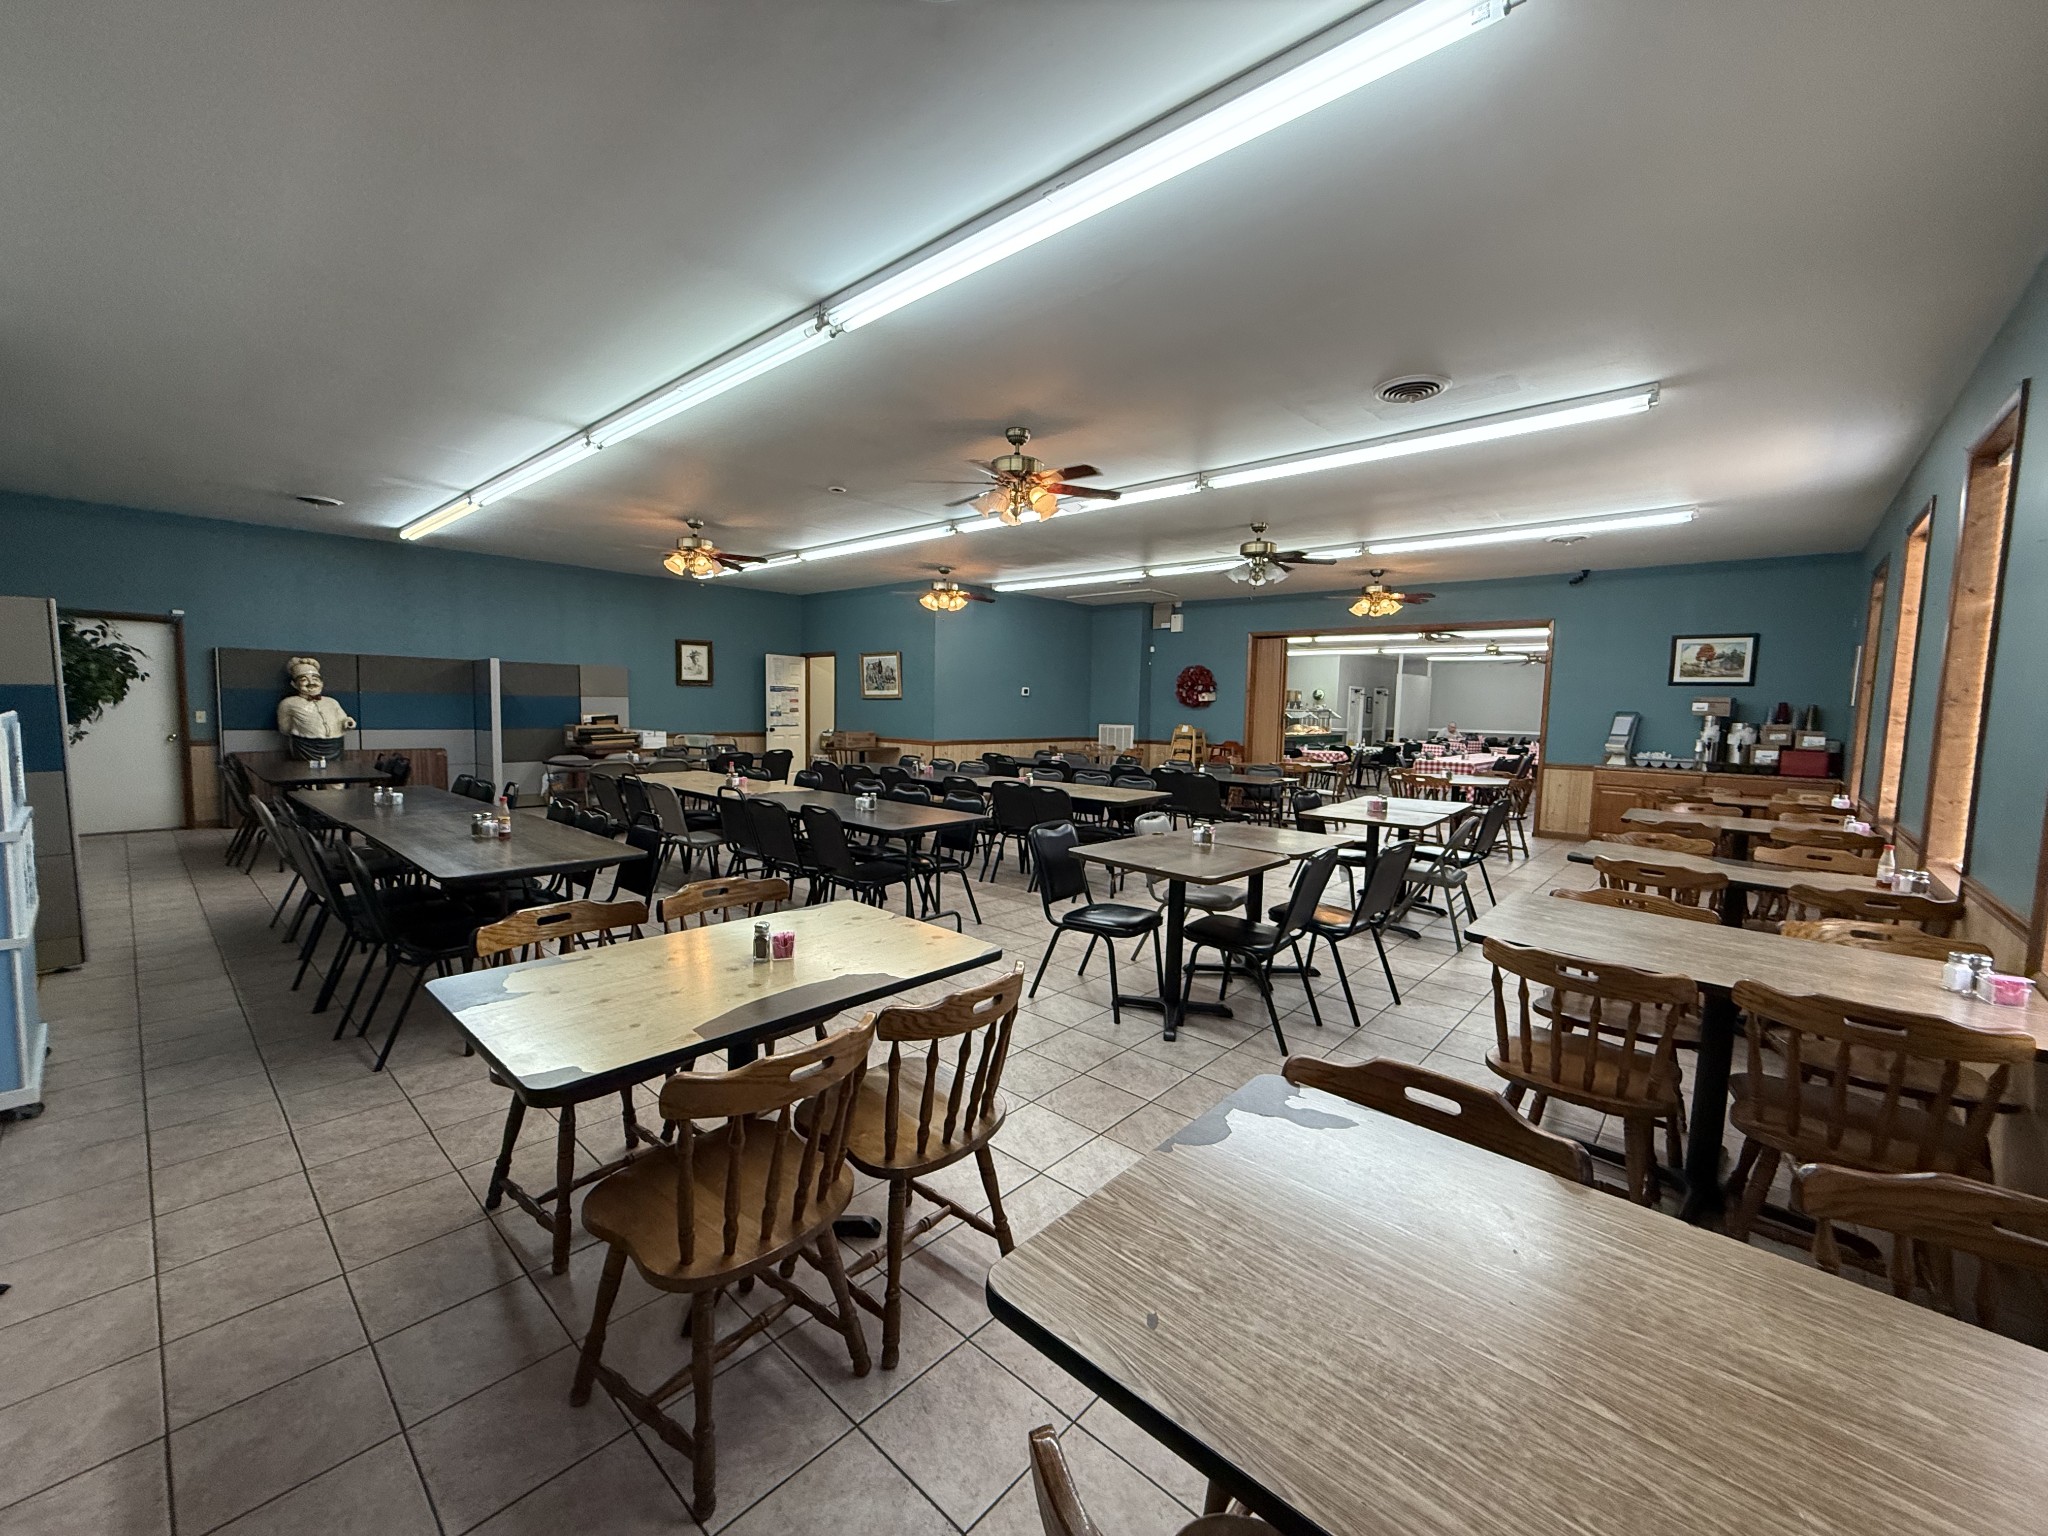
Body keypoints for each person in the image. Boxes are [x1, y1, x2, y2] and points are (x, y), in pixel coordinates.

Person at [276, 656, 354, 760]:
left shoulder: (332, 702)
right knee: (304, 772)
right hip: (305, 746)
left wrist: (348, 722)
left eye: (315, 679)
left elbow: (343, 719)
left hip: (334, 745)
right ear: (294, 684)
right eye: (304, 679)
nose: (311, 682)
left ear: (321, 683)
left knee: (335, 770)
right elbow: (285, 728)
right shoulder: (287, 703)